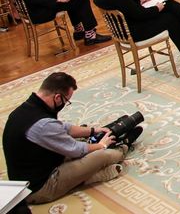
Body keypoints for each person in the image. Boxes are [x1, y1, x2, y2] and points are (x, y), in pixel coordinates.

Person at [2, 72, 141, 204]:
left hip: (38, 167)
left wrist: (93, 130)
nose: (65, 104)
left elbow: (64, 128)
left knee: (85, 142)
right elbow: (76, 150)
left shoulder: (29, 107)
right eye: (66, 101)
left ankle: (86, 176)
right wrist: (102, 145)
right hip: (40, 188)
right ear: (57, 97)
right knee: (104, 155)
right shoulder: (43, 125)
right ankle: (123, 147)